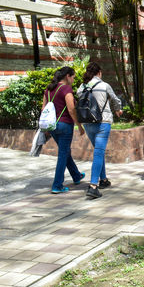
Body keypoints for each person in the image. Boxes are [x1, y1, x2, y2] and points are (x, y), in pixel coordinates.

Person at [76, 62, 122, 198]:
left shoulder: (82, 87)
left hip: (88, 123)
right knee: (98, 153)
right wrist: (118, 109)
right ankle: (93, 186)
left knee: (98, 151)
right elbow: (115, 99)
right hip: (103, 122)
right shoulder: (104, 85)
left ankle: (103, 180)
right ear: (99, 72)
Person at [42, 67, 85, 194]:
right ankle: (57, 185)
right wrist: (79, 125)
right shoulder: (66, 89)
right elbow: (71, 109)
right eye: (73, 77)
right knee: (63, 154)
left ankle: (76, 175)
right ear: (67, 76)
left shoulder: (48, 90)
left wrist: (45, 127)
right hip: (65, 125)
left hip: (52, 126)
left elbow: (43, 109)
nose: (73, 80)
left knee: (65, 152)